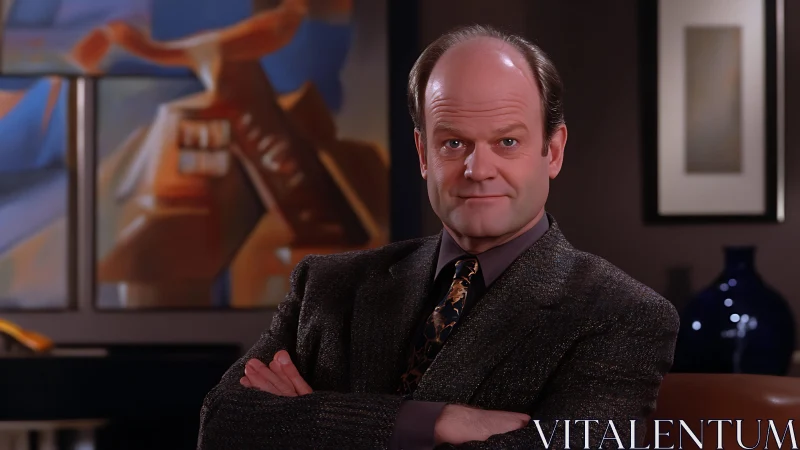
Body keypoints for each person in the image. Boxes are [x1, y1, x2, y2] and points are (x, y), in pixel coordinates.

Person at [197, 24, 679, 449]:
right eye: (453, 143)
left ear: (552, 151)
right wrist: (432, 423)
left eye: (506, 142)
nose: (477, 169)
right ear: (423, 153)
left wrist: (314, 421)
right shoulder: (326, 287)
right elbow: (220, 426)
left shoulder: (621, 316)